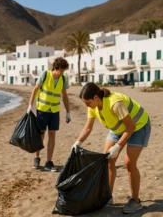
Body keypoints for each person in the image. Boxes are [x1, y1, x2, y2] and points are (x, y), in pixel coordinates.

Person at [72, 82, 150, 214]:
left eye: (88, 102)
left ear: (96, 97)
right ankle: (108, 196)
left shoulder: (115, 103)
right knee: (107, 160)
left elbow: (130, 127)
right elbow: (88, 127)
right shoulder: (93, 106)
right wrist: (78, 142)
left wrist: (118, 146)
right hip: (117, 128)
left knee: (129, 163)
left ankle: (136, 201)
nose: (87, 106)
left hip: (138, 126)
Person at [27, 57, 70, 172]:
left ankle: (49, 162)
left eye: (64, 71)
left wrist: (68, 112)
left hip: (55, 110)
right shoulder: (45, 75)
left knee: (52, 135)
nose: (62, 73)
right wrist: (30, 106)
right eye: (61, 70)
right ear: (56, 68)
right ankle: (36, 158)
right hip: (42, 109)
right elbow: (35, 90)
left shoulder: (64, 79)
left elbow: (65, 96)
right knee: (41, 134)